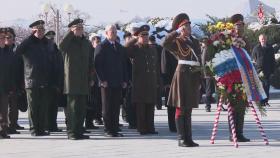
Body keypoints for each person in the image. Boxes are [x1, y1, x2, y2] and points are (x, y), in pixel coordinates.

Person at [162, 13, 201, 147]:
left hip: (193, 76)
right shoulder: (176, 41)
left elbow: (198, 60)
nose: (188, 28)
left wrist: (200, 78)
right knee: (181, 107)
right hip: (182, 76)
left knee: (189, 108)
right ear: (180, 29)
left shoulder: (195, 41)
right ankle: (181, 138)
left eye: (188, 26)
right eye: (184, 26)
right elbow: (164, 43)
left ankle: (189, 138)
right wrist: (175, 32)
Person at [16, 20, 53, 136]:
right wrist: (30, 37)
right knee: (33, 106)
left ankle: (41, 128)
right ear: (34, 31)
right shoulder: (28, 42)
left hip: (44, 79)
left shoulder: (46, 43)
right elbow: (17, 52)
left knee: (42, 106)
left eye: (42, 30)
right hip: (31, 78)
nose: (41, 32)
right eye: (39, 30)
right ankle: (34, 129)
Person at [59, 18, 93, 140]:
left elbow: (90, 61)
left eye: (81, 28)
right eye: (77, 28)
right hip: (71, 81)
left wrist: (91, 77)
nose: (80, 30)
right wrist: (70, 33)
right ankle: (72, 132)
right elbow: (60, 47)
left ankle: (79, 131)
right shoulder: (69, 42)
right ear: (72, 29)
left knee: (82, 108)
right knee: (72, 108)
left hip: (83, 80)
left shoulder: (86, 43)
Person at [94, 24, 128, 137]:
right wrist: (102, 80)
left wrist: (124, 80)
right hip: (106, 83)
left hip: (118, 82)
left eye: (115, 31)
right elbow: (97, 65)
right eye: (111, 32)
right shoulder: (101, 46)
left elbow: (123, 65)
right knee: (107, 107)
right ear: (106, 33)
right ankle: (108, 129)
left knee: (115, 106)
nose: (113, 33)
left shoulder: (119, 47)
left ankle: (115, 128)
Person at [125, 25, 159, 135]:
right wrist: (134, 38)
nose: (145, 37)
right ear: (139, 37)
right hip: (140, 83)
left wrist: (158, 81)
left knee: (150, 107)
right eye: (142, 36)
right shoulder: (135, 48)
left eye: (146, 35)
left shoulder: (152, 49)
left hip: (151, 82)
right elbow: (125, 48)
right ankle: (142, 128)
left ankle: (151, 127)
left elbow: (156, 67)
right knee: (141, 108)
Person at [227, 14, 251, 142]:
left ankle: (240, 132)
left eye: (241, 25)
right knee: (232, 106)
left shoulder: (246, 40)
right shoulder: (227, 40)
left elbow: (248, 58)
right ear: (233, 27)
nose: (240, 28)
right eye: (237, 25)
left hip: (243, 77)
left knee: (242, 105)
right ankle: (233, 134)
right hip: (231, 78)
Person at [5, 27, 23, 134]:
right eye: (6, 37)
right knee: (4, 107)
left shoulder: (16, 51)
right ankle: (5, 126)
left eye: (10, 37)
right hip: (4, 83)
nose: (8, 39)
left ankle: (13, 124)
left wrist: (21, 82)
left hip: (15, 82)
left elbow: (20, 67)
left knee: (14, 106)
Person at [44, 31, 63, 132]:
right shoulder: (44, 49)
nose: (51, 40)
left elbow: (60, 65)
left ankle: (53, 125)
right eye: (49, 38)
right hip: (47, 82)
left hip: (55, 82)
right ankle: (47, 125)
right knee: (47, 106)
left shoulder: (56, 50)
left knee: (54, 106)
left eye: (52, 38)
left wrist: (59, 83)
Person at [252, 34, 276, 107]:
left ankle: (266, 101)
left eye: (264, 38)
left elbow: (273, 60)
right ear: (259, 40)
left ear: (266, 39)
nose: (263, 40)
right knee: (260, 86)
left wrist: (272, 71)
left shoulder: (270, 48)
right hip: (259, 70)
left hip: (268, 70)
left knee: (267, 86)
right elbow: (253, 58)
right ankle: (261, 101)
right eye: (262, 39)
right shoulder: (256, 48)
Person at [0, 28, 14, 139]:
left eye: (4, 37)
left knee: (4, 111)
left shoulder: (8, 51)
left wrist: (11, 85)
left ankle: (3, 131)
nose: (3, 40)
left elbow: (10, 70)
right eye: (1, 38)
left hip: (4, 86)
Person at [85, 33, 102, 129]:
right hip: (91, 81)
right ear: (92, 42)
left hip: (98, 81)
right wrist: (91, 79)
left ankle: (94, 119)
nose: (98, 43)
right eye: (96, 42)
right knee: (90, 103)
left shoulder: (99, 51)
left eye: (99, 42)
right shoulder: (90, 51)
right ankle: (88, 122)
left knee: (96, 102)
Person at [161, 48, 177, 132]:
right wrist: (166, 82)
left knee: (178, 104)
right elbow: (164, 66)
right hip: (170, 80)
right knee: (171, 105)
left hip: (179, 80)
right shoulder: (167, 49)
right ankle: (172, 125)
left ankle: (179, 124)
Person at [201, 37, 215, 112]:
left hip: (207, 72)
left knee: (208, 89)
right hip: (208, 72)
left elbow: (203, 61)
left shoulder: (206, 49)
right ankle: (207, 105)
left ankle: (208, 105)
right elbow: (203, 61)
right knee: (209, 90)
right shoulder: (207, 48)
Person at [149, 35, 163, 110]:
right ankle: (159, 104)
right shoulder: (160, 48)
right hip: (159, 70)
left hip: (150, 71)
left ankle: (152, 104)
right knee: (158, 88)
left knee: (151, 88)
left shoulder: (148, 48)